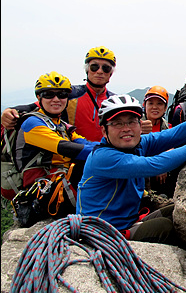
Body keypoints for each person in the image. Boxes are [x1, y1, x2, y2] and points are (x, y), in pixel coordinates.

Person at [76, 94, 186, 244]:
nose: (126, 128)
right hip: (102, 232)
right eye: (117, 123)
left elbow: (174, 134)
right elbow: (153, 165)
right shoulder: (103, 157)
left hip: (127, 221)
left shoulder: (137, 144)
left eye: (132, 121)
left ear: (140, 125)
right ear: (104, 130)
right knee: (164, 227)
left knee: (178, 211)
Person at [1, 45, 152, 139]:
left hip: (105, 159)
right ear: (87, 70)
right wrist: (10, 111)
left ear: (111, 74)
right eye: (94, 67)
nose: (99, 71)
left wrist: (140, 127)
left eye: (105, 68)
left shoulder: (114, 101)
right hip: (72, 160)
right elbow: (36, 106)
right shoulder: (68, 94)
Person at [12, 71, 99, 225]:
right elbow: (65, 148)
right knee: (94, 163)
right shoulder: (31, 123)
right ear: (39, 98)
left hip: (60, 186)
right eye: (48, 94)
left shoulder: (61, 125)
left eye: (62, 95)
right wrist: (108, 152)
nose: (56, 99)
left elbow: (85, 143)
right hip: (45, 194)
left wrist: (113, 147)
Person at [141, 85, 175, 197]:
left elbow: (170, 146)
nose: (155, 107)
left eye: (159, 104)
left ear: (165, 108)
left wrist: (163, 164)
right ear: (144, 105)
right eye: (150, 103)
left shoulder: (165, 127)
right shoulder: (135, 125)